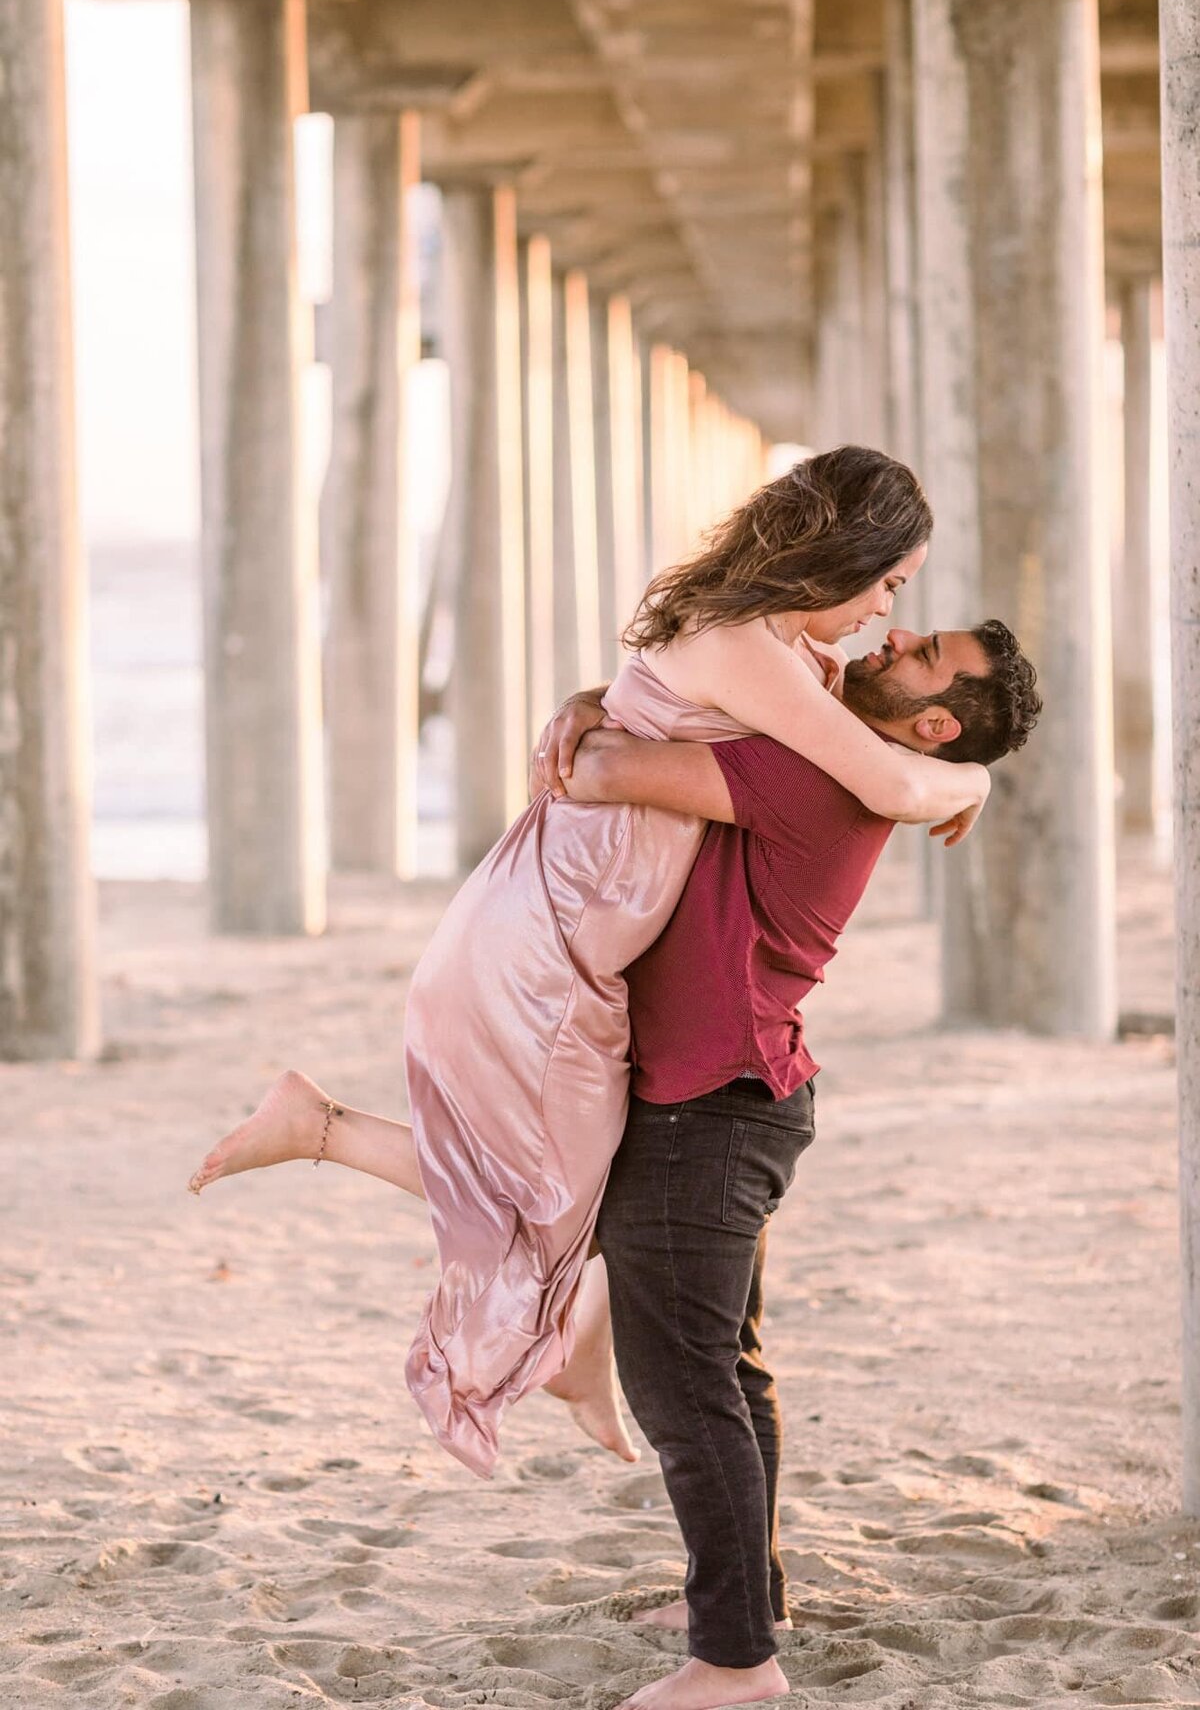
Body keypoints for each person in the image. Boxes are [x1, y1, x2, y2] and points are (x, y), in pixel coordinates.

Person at [187, 447, 992, 1479]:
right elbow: (880, 780)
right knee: (561, 1196)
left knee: (601, 1183)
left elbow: (658, 702)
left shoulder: (791, 651)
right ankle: (324, 1131)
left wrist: (586, 697)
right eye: (890, 581)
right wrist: (971, 785)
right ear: (845, 551)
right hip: (555, 932)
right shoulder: (749, 643)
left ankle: (572, 1344)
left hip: (584, 923)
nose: (888, 609)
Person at [535, 621, 1041, 1710]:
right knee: (728, 1370)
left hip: (706, 1109)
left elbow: (601, 771)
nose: (894, 629)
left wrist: (584, 715)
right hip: (741, 1094)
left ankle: (736, 1664)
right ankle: (743, 1599)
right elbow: (661, 713)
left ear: (935, 721)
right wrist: (591, 693)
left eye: (924, 649)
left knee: (683, 1391)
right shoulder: (845, 762)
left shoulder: (807, 773)